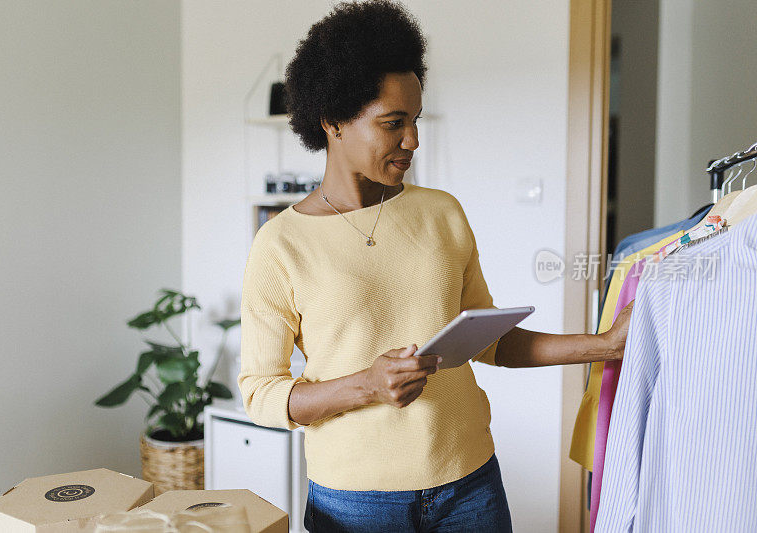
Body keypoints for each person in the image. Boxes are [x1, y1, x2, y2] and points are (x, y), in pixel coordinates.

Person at [237, 1, 633, 531]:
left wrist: (603, 345)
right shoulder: (280, 245)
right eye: (393, 123)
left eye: (416, 120)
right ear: (332, 122)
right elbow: (261, 393)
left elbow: (491, 341)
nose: (413, 141)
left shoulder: (441, 212)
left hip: (470, 483)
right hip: (357, 502)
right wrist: (368, 386)